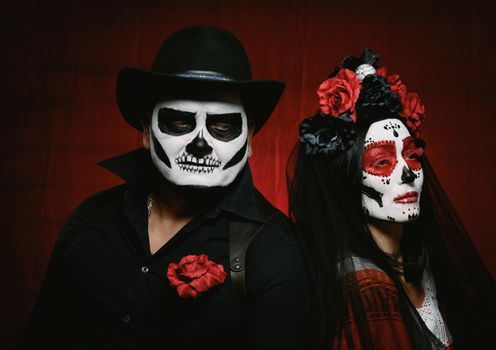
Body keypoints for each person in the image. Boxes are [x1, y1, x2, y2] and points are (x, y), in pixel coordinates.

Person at [19, 25, 307, 349]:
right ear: (146, 129)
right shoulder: (91, 221)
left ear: (249, 137)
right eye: (180, 122)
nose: (200, 144)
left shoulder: (271, 253)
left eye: (222, 125)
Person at [288, 49, 494, 349]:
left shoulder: (419, 266)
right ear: (348, 181)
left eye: (411, 156)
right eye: (382, 162)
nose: (407, 174)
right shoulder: (367, 287)